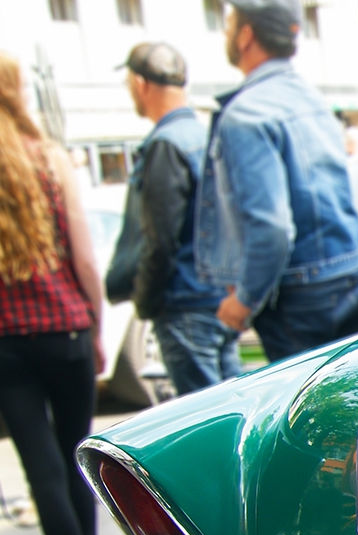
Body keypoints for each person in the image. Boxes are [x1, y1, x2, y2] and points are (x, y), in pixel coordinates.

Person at [0, 51, 125, 535]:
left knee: (41, 467)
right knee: (77, 455)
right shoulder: (49, 159)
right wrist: (96, 329)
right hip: (67, 328)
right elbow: (83, 258)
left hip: (6, 344)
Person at [197, 0, 358, 363]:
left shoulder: (247, 113)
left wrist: (244, 300)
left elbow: (271, 227)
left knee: (306, 419)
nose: (226, 32)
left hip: (300, 297)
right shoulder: (309, 97)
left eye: (230, 23)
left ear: (246, 35)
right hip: (351, 277)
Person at [106, 42, 239, 396]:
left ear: (139, 83)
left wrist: (146, 302)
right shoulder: (206, 134)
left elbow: (158, 239)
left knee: (205, 421)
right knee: (231, 411)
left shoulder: (166, 143)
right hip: (219, 298)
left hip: (186, 304)